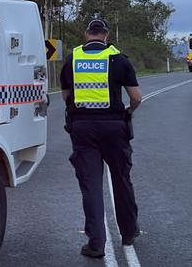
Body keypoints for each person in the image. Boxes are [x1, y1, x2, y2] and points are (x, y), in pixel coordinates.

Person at [60, 18, 142, 258]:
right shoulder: (118, 59)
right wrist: (128, 112)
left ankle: (96, 244)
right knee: (121, 180)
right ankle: (128, 232)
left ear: (87, 34)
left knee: (91, 185)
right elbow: (136, 97)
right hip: (115, 127)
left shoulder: (72, 59)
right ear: (105, 35)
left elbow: (66, 95)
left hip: (83, 128)